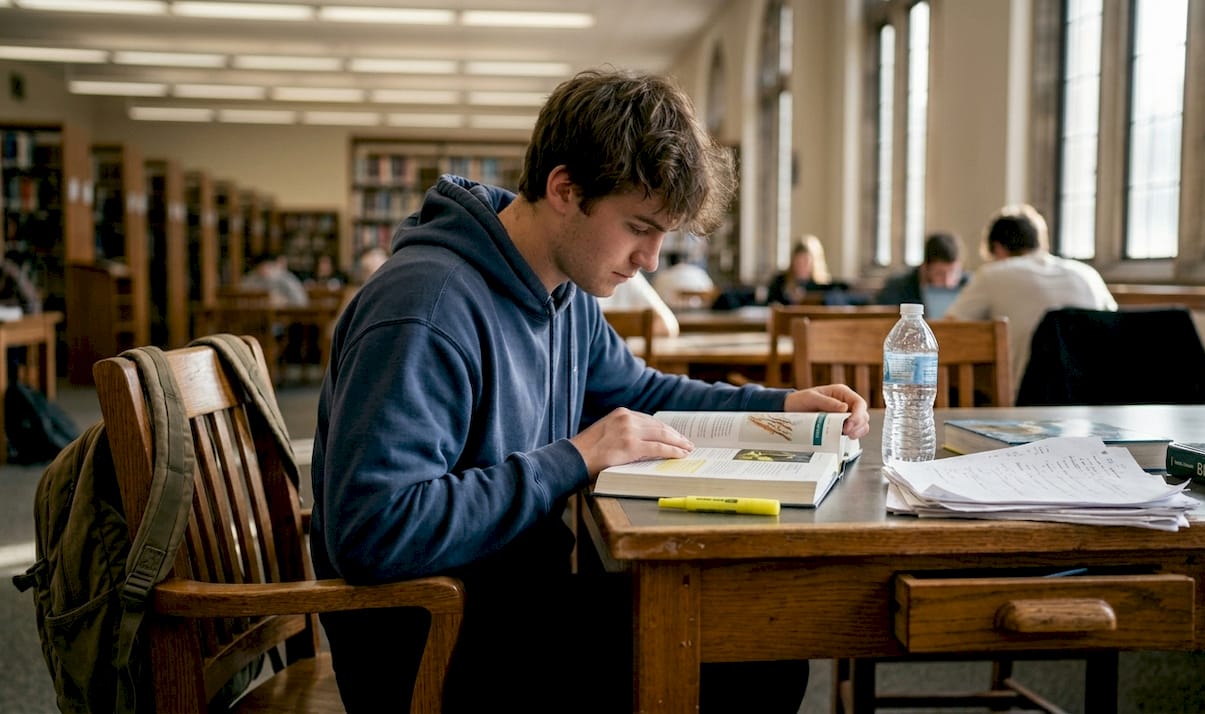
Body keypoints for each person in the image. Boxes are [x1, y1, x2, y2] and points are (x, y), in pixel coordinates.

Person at [311, 68, 870, 714]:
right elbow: (375, 530)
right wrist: (573, 458)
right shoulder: (427, 308)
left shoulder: (563, 292)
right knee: (748, 660)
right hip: (432, 643)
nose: (652, 259)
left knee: (755, 637)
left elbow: (640, 392)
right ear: (564, 190)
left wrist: (780, 407)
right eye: (639, 227)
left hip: (512, 602)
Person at [944, 203, 1117, 387]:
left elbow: (948, 330)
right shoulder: (1087, 274)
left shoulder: (994, 274)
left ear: (998, 248)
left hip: (1030, 395)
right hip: (1098, 392)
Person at [875, 232, 969, 306]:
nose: (947, 283)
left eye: (954, 273)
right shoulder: (897, 288)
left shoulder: (969, 285)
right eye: (939, 273)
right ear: (925, 268)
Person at [597, 270, 681, 336]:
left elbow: (668, 326)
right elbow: (668, 326)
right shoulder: (626, 275)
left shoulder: (625, 276)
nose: (651, 265)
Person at [766, 234, 832, 305]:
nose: (801, 266)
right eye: (798, 262)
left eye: (805, 262)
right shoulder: (779, 282)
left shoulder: (823, 287)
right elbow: (770, 303)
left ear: (814, 263)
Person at [652, 252, 718, 308]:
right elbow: (711, 293)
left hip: (672, 314)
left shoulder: (663, 276)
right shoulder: (699, 273)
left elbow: (655, 297)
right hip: (703, 315)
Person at [240, 253, 308, 307]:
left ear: (274, 265)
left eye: (268, 266)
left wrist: (284, 302)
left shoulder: (286, 278)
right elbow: (240, 299)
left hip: (283, 317)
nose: (265, 270)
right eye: (261, 267)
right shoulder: (251, 278)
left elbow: (301, 301)